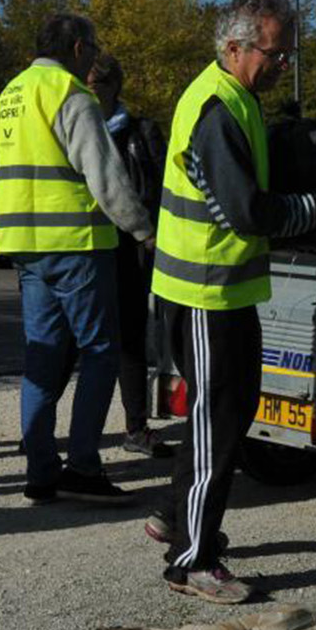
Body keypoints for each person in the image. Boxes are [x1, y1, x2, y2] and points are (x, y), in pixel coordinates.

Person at [148, 0, 316, 604]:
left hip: (225, 288)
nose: (282, 65)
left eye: (287, 54)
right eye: (276, 53)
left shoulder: (236, 98)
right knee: (218, 421)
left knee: (230, 415)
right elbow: (246, 213)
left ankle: (172, 514)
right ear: (236, 47)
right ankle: (192, 559)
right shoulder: (216, 107)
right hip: (205, 292)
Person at [0, 14, 153, 505]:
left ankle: (41, 471)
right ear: (79, 48)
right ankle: (83, 467)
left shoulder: (9, 96)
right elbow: (104, 176)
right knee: (100, 353)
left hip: (24, 244)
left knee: (42, 353)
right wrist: (143, 229)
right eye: (94, 47)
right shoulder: (71, 95)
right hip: (76, 244)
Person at [85, 51, 171, 458]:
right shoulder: (75, 129)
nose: (89, 91)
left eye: (96, 84)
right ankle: (48, 432)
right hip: (83, 245)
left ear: (114, 86)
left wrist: (149, 234)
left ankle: (136, 426)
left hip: (129, 248)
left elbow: (159, 186)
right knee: (75, 339)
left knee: (130, 340)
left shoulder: (140, 132)